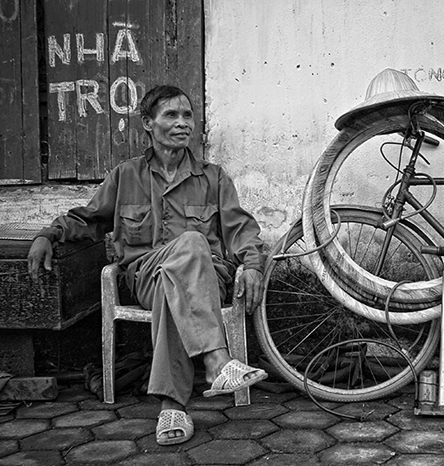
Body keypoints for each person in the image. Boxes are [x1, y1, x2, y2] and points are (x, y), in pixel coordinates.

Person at [27, 84, 268, 446]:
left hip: (208, 280)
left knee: (185, 260)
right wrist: (49, 234)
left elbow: (241, 230)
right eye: (171, 115)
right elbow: (89, 219)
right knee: (188, 247)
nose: (183, 123)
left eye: (187, 115)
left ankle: (172, 406)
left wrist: (253, 265)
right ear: (147, 123)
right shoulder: (126, 175)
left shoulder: (214, 178)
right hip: (145, 277)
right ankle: (216, 360)